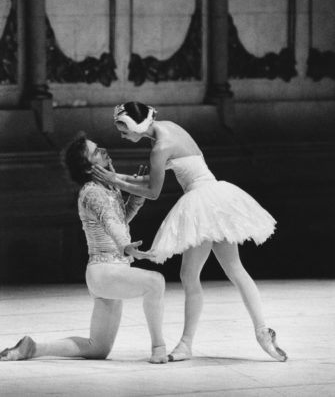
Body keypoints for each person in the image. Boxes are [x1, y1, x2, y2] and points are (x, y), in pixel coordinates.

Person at [92, 102, 288, 363]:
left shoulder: (159, 148)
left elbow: (152, 192)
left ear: (136, 125)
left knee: (191, 274)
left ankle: (186, 344)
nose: (122, 135)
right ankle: (262, 330)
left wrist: (115, 180)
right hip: (216, 195)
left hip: (201, 201)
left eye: (123, 129)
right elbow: (151, 181)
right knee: (234, 269)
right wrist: (118, 178)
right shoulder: (167, 129)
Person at [0, 132, 167, 364]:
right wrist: (126, 245)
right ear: (89, 167)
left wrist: (136, 201)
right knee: (155, 282)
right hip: (105, 271)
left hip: (107, 273)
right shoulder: (92, 192)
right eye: (96, 151)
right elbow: (111, 223)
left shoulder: (109, 188)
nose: (103, 150)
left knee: (97, 348)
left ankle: (33, 348)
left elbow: (119, 220)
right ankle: (159, 348)